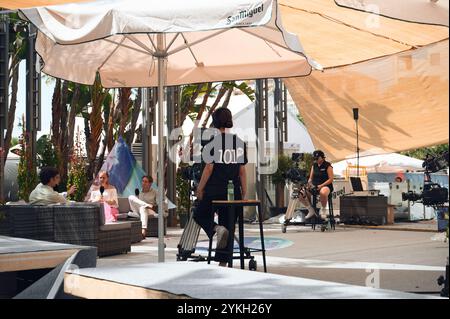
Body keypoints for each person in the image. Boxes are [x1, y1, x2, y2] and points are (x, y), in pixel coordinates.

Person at [193, 107, 248, 267]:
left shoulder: (212, 143)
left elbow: (209, 168)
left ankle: (216, 229)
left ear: (215, 121)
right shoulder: (239, 143)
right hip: (233, 191)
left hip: (214, 191)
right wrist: (244, 192)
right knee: (229, 224)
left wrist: (200, 188)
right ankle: (223, 264)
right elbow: (242, 170)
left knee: (199, 214)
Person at [299, 150, 334, 219]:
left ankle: (323, 210)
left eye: (317, 158)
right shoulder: (314, 165)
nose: (316, 160)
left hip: (325, 186)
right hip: (315, 186)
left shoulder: (328, 165)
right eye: (315, 158)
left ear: (322, 158)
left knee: (323, 192)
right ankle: (310, 209)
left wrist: (321, 185)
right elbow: (310, 178)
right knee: (300, 194)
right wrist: (309, 184)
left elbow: (331, 179)